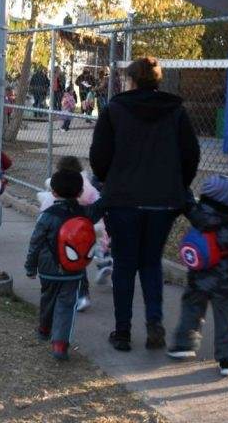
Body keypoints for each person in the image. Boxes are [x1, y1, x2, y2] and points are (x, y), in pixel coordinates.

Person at [90, 56, 200, 352]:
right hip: (164, 201)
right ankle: (155, 324)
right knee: (151, 263)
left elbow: (99, 156)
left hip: (123, 199)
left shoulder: (115, 110)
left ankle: (123, 331)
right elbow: (191, 154)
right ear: (157, 80)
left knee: (125, 264)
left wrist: (110, 179)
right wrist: (178, 183)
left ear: (132, 80)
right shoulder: (175, 111)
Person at [167, 175, 228, 377]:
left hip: (198, 279)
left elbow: (188, 202)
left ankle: (183, 344)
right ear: (227, 201)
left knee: (191, 310)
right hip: (225, 285)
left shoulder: (198, 216)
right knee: (227, 320)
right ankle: (227, 360)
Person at [25, 168, 107, 360]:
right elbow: (102, 204)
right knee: (66, 305)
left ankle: (44, 328)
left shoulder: (47, 215)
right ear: (80, 193)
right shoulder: (85, 214)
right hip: (73, 270)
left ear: (53, 192)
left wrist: (30, 267)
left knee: (47, 298)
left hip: (48, 269)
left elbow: (35, 242)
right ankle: (60, 344)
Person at [36, 155, 113, 313]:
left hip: (57, 243)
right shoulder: (84, 195)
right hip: (81, 235)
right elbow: (98, 204)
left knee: (61, 268)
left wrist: (31, 264)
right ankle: (82, 295)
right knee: (79, 264)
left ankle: (60, 299)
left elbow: (40, 227)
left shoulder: (52, 200)